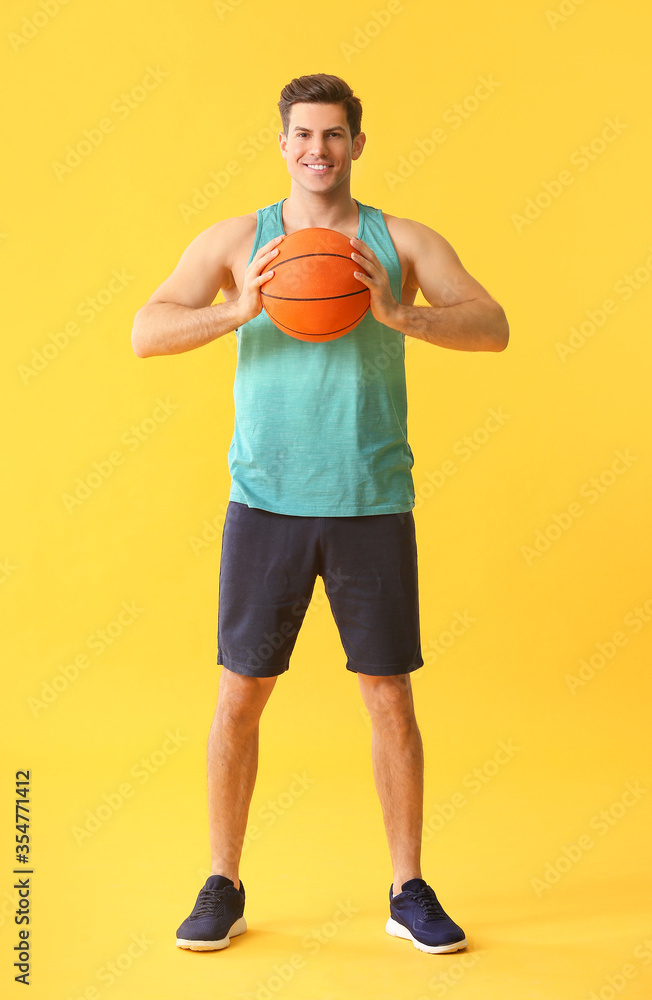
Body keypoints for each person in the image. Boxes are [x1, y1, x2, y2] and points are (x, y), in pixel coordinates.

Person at [131, 72, 509, 956]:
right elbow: (147, 329)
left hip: (372, 503)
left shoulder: (399, 241)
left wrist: (397, 313)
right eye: (302, 135)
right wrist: (237, 310)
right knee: (240, 698)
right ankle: (222, 883)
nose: (317, 151)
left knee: (388, 697)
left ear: (357, 145)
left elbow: (492, 325)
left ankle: (407, 888)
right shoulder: (241, 242)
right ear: (282, 143)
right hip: (264, 505)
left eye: (334, 135)